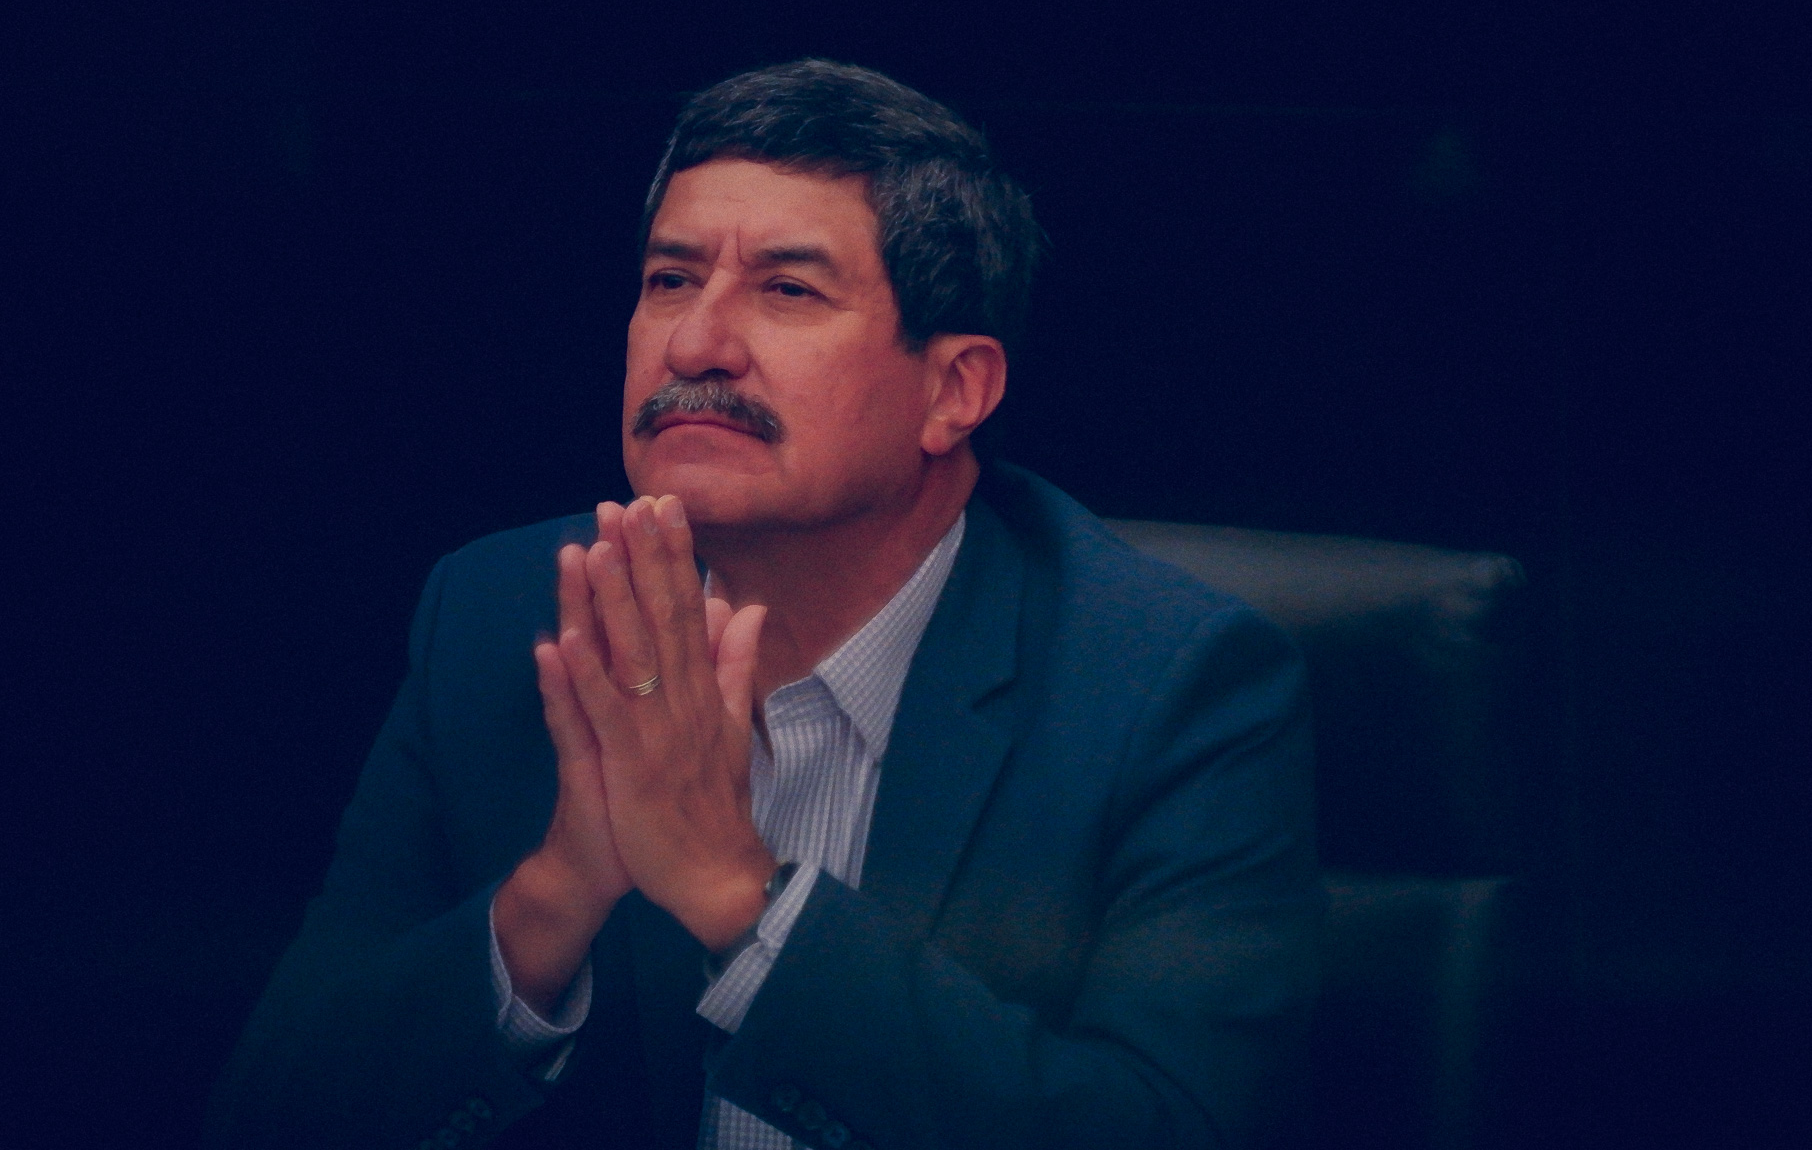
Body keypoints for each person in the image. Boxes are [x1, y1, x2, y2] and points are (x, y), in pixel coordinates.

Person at [208, 59, 1320, 1150]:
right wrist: (555, 893)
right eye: (670, 280)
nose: (695, 344)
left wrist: (739, 896)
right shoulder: (501, 618)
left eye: (788, 290)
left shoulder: (1172, 689)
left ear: (953, 390)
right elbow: (270, 1119)